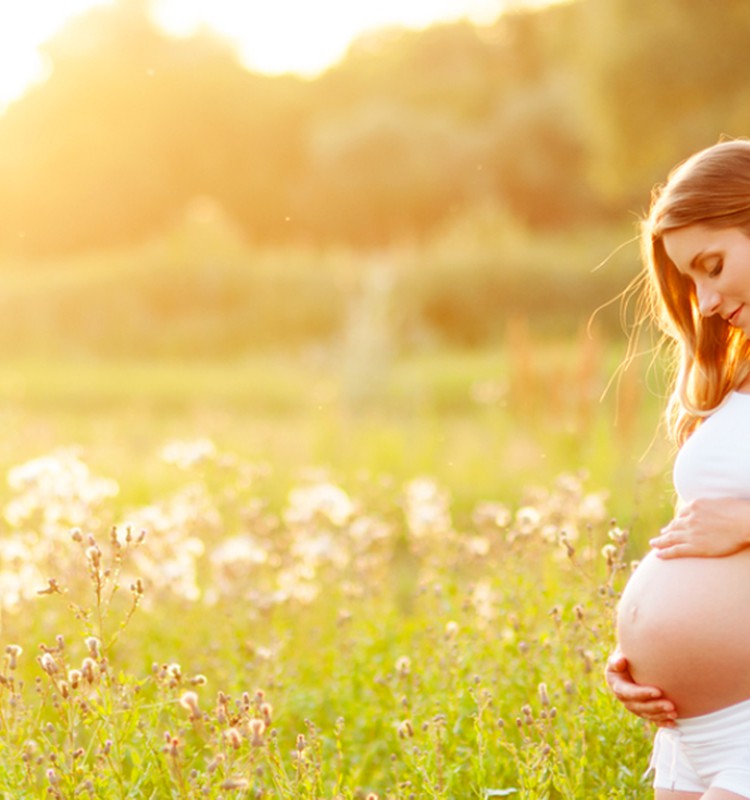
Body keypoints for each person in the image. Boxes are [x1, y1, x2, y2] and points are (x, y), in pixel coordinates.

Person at [606, 138, 750, 799]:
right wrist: (637, 655)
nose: (707, 300)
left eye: (713, 265)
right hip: (690, 733)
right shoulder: (732, 384)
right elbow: (697, 531)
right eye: (691, 280)